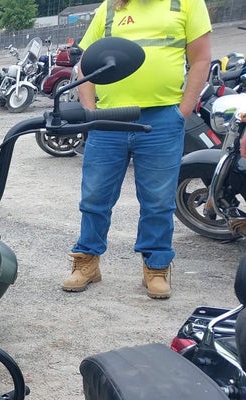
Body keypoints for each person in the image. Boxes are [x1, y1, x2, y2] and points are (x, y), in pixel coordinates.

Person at [61, 0, 212, 299]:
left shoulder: (186, 4)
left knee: (158, 200)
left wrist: (182, 112)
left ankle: (155, 267)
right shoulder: (110, 8)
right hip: (109, 119)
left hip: (161, 119)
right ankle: (87, 262)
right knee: (94, 197)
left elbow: (201, 59)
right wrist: (90, 112)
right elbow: (85, 65)